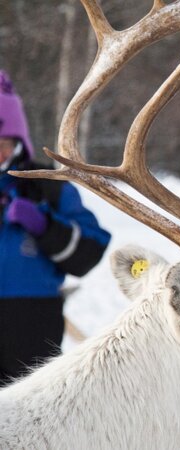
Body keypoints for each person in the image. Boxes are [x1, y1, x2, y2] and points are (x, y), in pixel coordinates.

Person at [0, 70, 111, 387]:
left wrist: (44, 225)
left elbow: (89, 253)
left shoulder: (48, 186)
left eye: (4, 144)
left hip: (34, 322)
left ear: (19, 141)